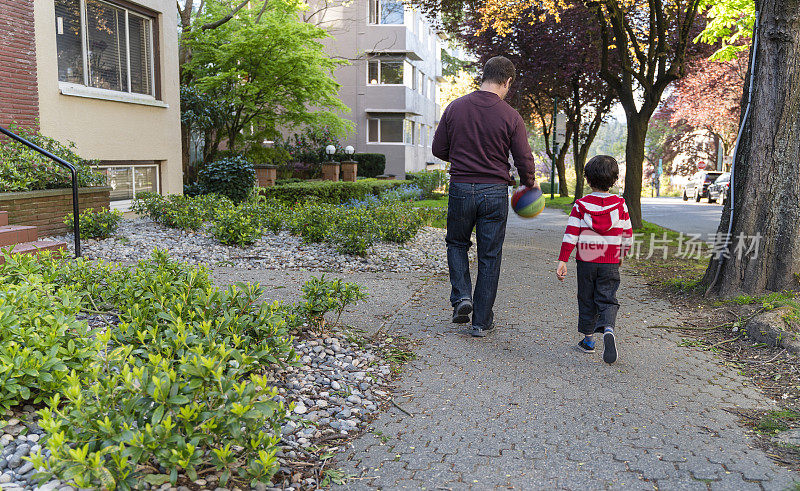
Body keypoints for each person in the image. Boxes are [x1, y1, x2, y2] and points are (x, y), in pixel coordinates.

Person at [432, 56, 538, 337]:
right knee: (490, 255)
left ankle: (462, 297)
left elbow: (438, 149)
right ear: (507, 81)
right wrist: (530, 184)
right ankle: (480, 322)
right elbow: (524, 158)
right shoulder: (511, 116)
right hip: (494, 193)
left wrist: (461, 156)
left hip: (461, 188)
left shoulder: (455, 107)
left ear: (485, 76)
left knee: (456, 243)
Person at [556, 155, 632, 363]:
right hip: (610, 261)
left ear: (588, 180)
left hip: (587, 262)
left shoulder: (581, 205)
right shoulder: (620, 204)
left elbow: (571, 234)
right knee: (607, 297)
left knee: (587, 297)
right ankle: (608, 328)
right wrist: (622, 255)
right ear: (614, 180)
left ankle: (589, 341)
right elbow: (627, 234)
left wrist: (563, 260)